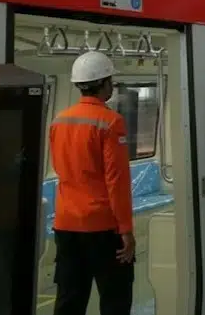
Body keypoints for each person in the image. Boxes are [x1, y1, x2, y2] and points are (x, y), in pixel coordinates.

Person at [50, 51, 135, 315]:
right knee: (115, 299)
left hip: (65, 224)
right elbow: (116, 180)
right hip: (102, 226)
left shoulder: (59, 120)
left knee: (69, 300)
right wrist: (126, 231)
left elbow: (60, 167)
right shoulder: (110, 122)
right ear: (104, 84)